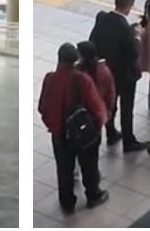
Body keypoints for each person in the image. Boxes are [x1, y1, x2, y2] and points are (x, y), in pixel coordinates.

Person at [37, 43, 109, 214]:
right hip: (83, 133)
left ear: (59, 58)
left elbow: (42, 107)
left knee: (64, 170)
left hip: (59, 134)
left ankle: (67, 202)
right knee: (89, 166)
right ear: (76, 59)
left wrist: (53, 125)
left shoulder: (50, 78)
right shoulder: (82, 79)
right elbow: (97, 108)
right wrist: (97, 129)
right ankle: (93, 196)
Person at [88, 0, 147, 152]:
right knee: (126, 108)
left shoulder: (102, 18)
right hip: (125, 76)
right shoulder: (126, 30)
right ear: (129, 6)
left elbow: (93, 42)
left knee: (110, 103)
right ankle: (129, 141)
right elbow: (134, 53)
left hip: (107, 72)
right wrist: (137, 36)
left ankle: (111, 132)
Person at [75, 41, 116, 146]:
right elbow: (110, 93)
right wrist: (108, 110)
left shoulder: (77, 72)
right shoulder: (104, 71)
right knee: (94, 141)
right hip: (97, 111)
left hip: (79, 112)